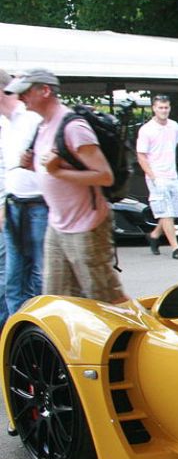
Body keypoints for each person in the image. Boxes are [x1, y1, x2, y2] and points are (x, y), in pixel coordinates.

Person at [6, 69, 127, 303]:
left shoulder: (73, 127)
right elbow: (52, 170)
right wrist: (33, 166)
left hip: (86, 225)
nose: (20, 98)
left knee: (104, 297)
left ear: (45, 90)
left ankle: (134, 326)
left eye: (25, 92)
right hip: (58, 224)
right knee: (58, 299)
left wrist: (57, 172)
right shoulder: (43, 126)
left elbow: (104, 176)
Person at [1, 70, 43, 319]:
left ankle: (37, 327)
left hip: (38, 206)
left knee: (39, 276)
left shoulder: (32, 119)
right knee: (12, 279)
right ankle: (14, 330)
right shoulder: (6, 124)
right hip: (13, 205)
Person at [136, 95, 178, 260]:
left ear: (170, 108)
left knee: (173, 211)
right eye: (160, 107)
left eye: (166, 107)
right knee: (165, 212)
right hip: (157, 177)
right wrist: (153, 177)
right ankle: (176, 248)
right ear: (154, 108)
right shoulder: (146, 130)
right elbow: (141, 156)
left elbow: (173, 146)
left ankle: (154, 236)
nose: (164, 111)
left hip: (172, 175)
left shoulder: (174, 126)